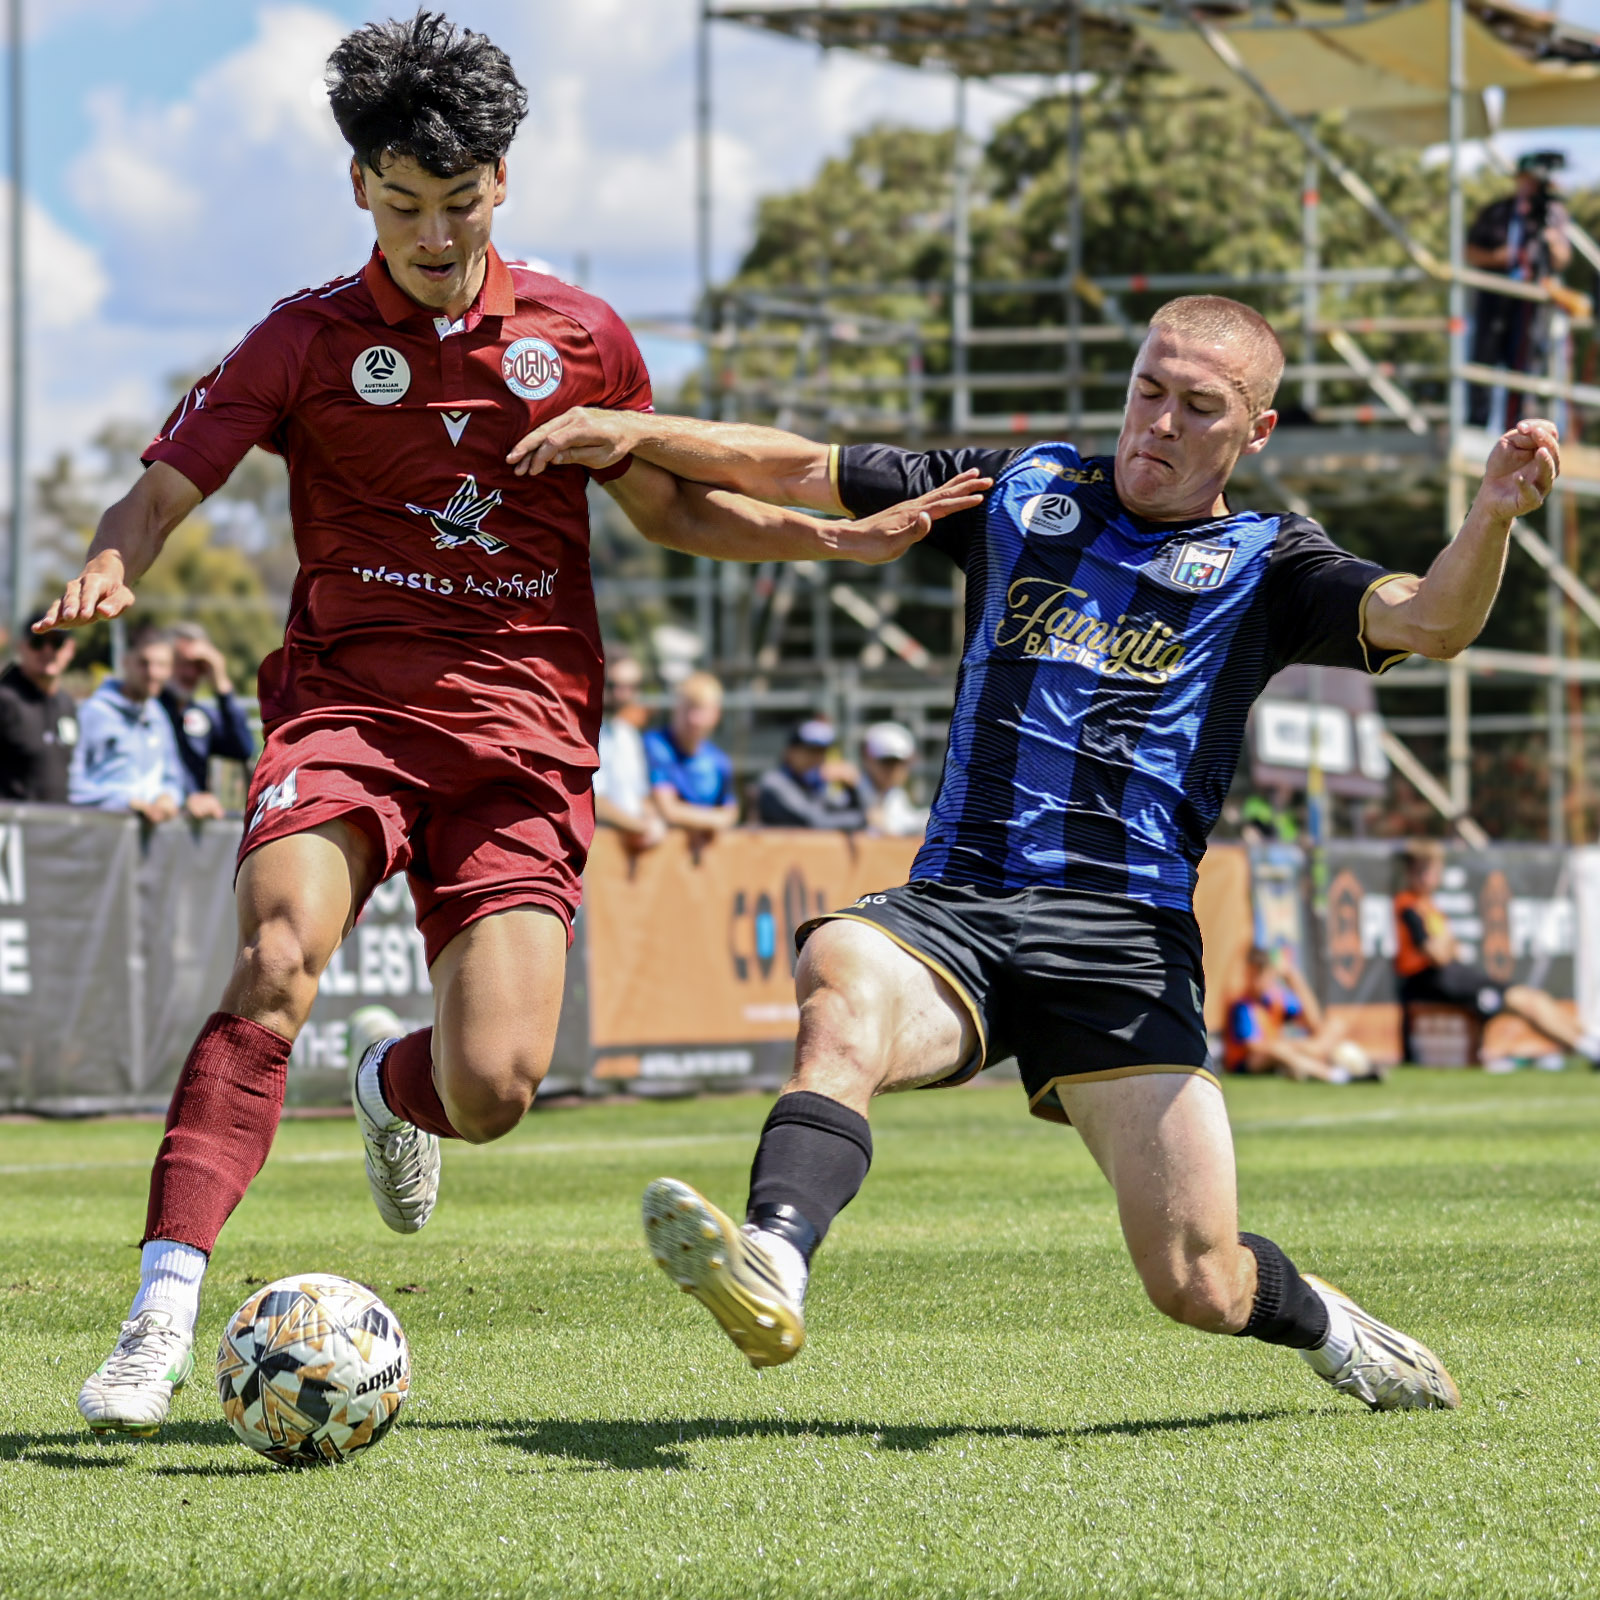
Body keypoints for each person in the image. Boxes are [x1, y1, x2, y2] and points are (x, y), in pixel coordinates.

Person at [49, 11, 977, 1439]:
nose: (432, 235)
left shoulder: (580, 337)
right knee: (277, 956)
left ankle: (387, 1085)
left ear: (503, 180)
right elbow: (168, 485)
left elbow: (670, 506)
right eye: (402, 204)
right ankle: (160, 1313)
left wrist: (830, 540)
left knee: (490, 1089)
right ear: (359, 186)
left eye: (458, 202)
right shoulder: (302, 338)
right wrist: (116, 561)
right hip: (349, 709)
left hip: (523, 736)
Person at [518, 293, 1569, 1413]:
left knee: (1198, 1280)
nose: (1158, 422)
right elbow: (797, 467)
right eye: (1147, 389)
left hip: (1123, 938)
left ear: (1255, 430)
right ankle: (774, 1254)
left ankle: (1328, 1325)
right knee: (842, 979)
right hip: (959, 905)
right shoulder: (1019, 488)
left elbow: (1432, 620)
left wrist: (1492, 515)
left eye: (1197, 406)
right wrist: (634, 428)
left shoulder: (1270, 563)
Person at [1394, 841, 1600, 1068]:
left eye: (1432, 870)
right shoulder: (1409, 906)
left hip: (1454, 975)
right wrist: (1446, 942)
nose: (1428, 877)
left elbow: (1452, 950)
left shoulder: (1430, 907)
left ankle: (1591, 1041)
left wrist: (1446, 943)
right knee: (1524, 1003)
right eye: (1422, 871)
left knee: (1534, 998)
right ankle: (1589, 1049)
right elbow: (1438, 955)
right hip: (1433, 982)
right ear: (1410, 873)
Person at [1466, 151, 1574, 430]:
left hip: (1530, 308)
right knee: (1483, 362)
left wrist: (1552, 240)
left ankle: (1519, 430)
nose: (1529, 186)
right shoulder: (1496, 212)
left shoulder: (1552, 216)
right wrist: (1499, 257)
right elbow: (1470, 252)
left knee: (1525, 366)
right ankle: (1476, 425)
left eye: (1534, 182)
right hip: (1493, 301)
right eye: (1525, 180)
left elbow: (1562, 260)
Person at [68, 625, 189, 823]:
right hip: (102, 829)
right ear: (125, 662)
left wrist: (168, 797)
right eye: (143, 663)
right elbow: (74, 784)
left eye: (161, 665)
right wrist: (125, 803)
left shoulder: (158, 715)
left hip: (147, 834)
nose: (152, 673)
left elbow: (173, 778)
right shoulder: (94, 713)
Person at [1223, 946, 1381, 1084]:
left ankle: (1313, 1062)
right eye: (1254, 975)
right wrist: (1300, 1046)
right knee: (1278, 1048)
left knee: (1335, 1025)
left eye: (1265, 975)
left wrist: (1294, 979)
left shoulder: (1273, 1001)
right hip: (1249, 1062)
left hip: (1284, 1051)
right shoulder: (1243, 1007)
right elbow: (1254, 1047)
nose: (1259, 981)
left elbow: (1314, 1022)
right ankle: (1334, 1075)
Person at [159, 622, 255, 818]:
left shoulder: (198, 715)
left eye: (199, 666)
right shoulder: (146, 711)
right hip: (158, 815)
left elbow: (243, 748)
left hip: (195, 822)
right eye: (182, 663)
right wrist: (185, 798)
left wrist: (220, 683)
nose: (190, 673)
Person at [644, 671, 738, 845]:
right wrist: (714, 820)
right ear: (676, 708)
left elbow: (730, 814)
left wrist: (710, 819)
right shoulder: (654, 745)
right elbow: (668, 810)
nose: (693, 719)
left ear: (716, 714)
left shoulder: (719, 761)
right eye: (688, 708)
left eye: (701, 710)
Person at [0, 611, 79, 803]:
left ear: (70, 649)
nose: (47, 650)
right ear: (21, 646)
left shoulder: (67, 704)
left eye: (57, 643)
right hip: (10, 819)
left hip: (59, 818)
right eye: (38, 642)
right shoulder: (4, 699)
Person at [593, 651, 664, 852]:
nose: (624, 694)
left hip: (630, 848)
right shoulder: (582, 733)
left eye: (632, 686)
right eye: (614, 685)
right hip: (598, 847)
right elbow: (591, 801)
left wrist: (651, 821)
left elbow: (642, 794)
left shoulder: (627, 733)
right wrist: (642, 827)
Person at [755, 718, 866, 830]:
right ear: (790, 751)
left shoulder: (816, 782)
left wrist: (853, 786)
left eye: (822, 751)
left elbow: (846, 810)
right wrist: (864, 818)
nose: (817, 758)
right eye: (811, 751)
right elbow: (815, 822)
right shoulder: (774, 783)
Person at [858, 720, 927, 838]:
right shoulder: (850, 793)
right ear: (867, 759)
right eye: (887, 762)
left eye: (902, 763)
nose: (895, 770)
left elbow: (909, 822)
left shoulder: (896, 795)